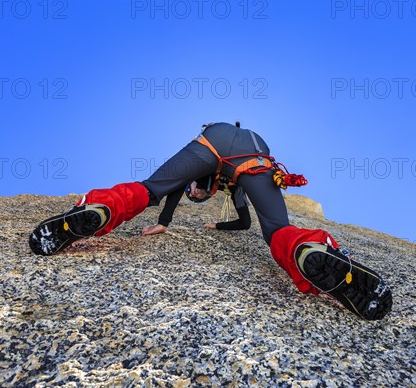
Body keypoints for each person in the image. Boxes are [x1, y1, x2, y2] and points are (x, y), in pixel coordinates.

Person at [29, 122, 393, 320]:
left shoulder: (213, 178)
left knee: (149, 187)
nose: (196, 196)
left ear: (197, 185)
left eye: (195, 194)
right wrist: (169, 223)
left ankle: (101, 208)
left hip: (212, 141)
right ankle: (309, 248)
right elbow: (250, 222)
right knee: (279, 230)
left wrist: (169, 222)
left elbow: (168, 189)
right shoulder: (233, 187)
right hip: (256, 155)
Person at [141, 176, 251, 236]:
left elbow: (181, 182)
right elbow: (245, 223)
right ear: (209, 195)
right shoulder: (235, 189)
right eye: (195, 197)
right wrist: (217, 225)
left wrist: (163, 222)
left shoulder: (202, 171)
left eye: (189, 191)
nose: (193, 193)